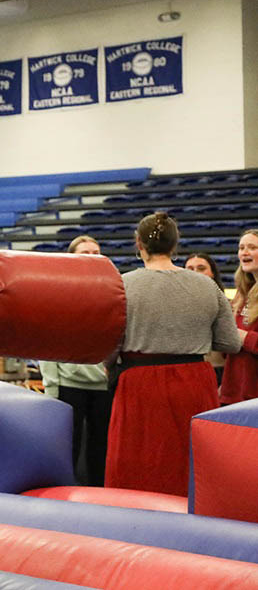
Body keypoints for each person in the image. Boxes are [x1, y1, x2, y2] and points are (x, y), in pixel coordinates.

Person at [104, 213, 241, 496]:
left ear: (138, 244)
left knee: (139, 464)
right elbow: (230, 343)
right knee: (194, 462)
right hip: (194, 382)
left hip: (139, 384)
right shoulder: (207, 286)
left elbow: (108, 346)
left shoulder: (121, 286)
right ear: (174, 245)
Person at [38, 235, 112, 486]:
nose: (92, 256)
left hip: (103, 385)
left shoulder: (113, 290)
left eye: (96, 252)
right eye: (85, 252)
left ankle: (100, 493)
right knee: (67, 447)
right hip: (69, 386)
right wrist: (51, 385)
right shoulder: (56, 290)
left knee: (100, 448)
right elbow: (45, 339)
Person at [220, 229, 258, 405]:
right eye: (241, 247)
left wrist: (244, 337)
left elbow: (241, 337)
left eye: (252, 247)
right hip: (234, 393)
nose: (244, 252)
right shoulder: (241, 294)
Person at [185, 252, 227, 382]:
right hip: (187, 372)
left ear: (212, 273)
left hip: (220, 372)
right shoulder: (173, 307)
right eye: (190, 269)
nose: (196, 273)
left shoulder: (229, 306)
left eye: (201, 268)